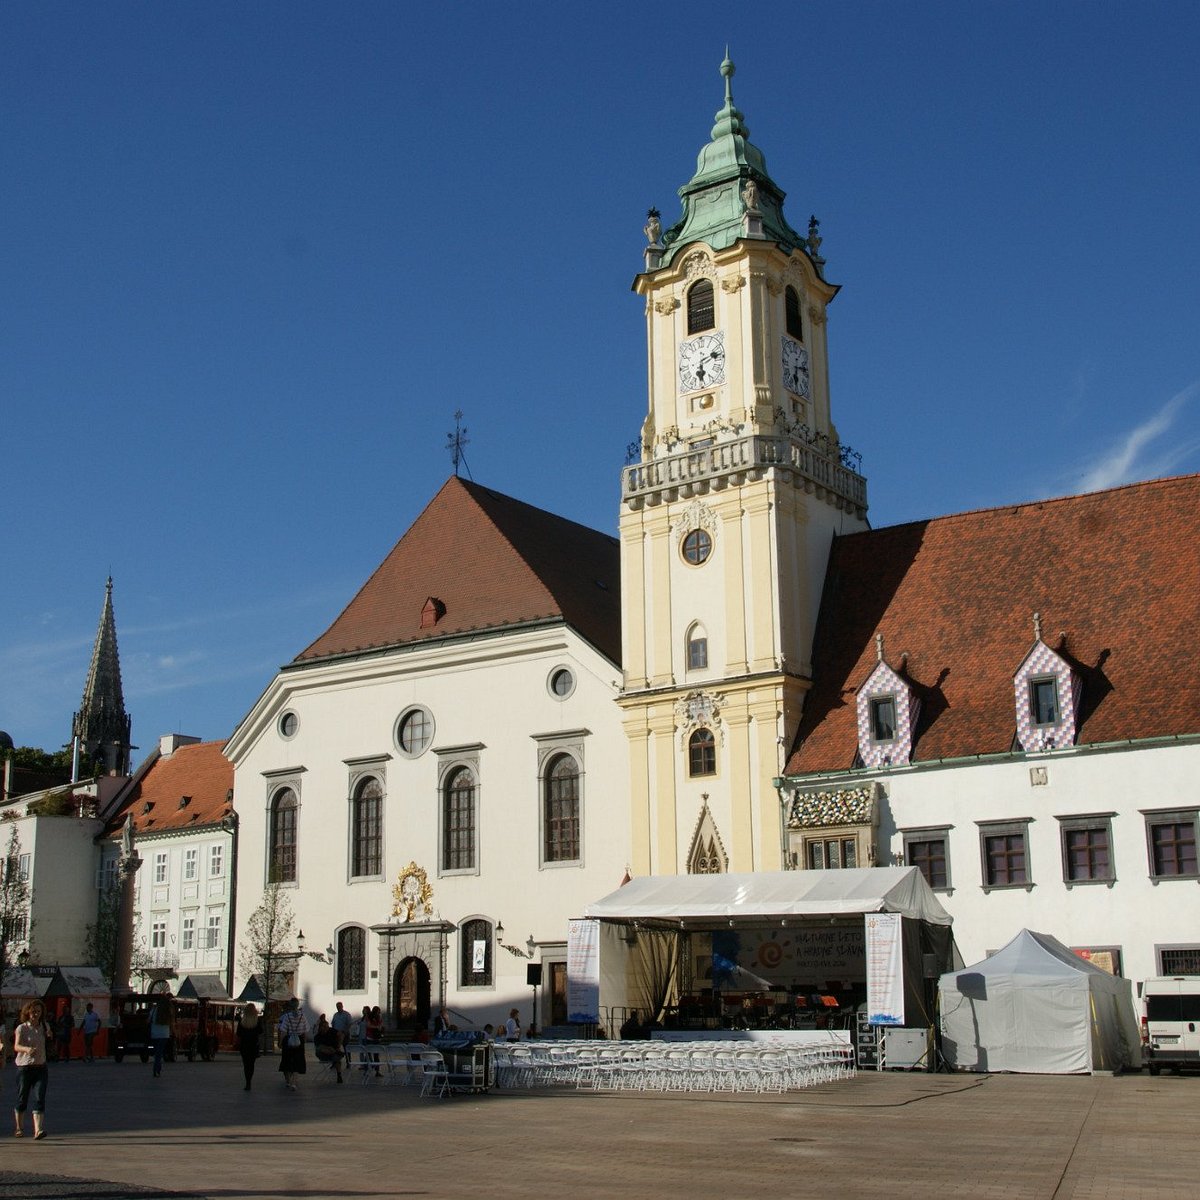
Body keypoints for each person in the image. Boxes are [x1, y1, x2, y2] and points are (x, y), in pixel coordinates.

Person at [13, 999, 52, 1139]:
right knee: (22, 1099)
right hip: (24, 1068)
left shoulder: (44, 1026)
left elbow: (49, 1038)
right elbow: (16, 1047)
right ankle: (19, 1127)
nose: (36, 1014)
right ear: (28, 1012)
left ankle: (38, 1130)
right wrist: (26, 1049)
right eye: (33, 1011)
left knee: (39, 1098)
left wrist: (50, 1035)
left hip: (41, 1067)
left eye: (38, 1012)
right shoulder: (22, 1028)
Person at [277, 998, 308, 1091]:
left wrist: (280, 1042)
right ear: (298, 1005)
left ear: (290, 1005)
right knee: (297, 1062)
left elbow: (283, 1031)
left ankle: (288, 1081)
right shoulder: (302, 1016)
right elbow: (305, 1030)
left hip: (288, 1041)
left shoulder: (287, 1016)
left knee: (286, 1061)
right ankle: (294, 1083)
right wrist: (304, 1040)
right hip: (299, 1041)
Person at [235, 1003, 261, 1091]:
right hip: (254, 1045)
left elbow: (238, 1034)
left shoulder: (242, 1021)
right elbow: (261, 1031)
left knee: (246, 1065)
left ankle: (247, 1082)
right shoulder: (257, 1021)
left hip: (244, 1045)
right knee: (251, 1064)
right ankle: (249, 1080)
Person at [313, 1014, 345, 1083]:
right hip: (323, 1054)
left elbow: (341, 1035)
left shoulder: (331, 1031)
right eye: (324, 1027)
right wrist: (330, 1048)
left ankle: (339, 1074)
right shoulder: (318, 1036)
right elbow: (319, 1047)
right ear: (320, 1028)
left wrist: (339, 1045)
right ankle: (335, 1052)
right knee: (321, 1050)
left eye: (327, 1027)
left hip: (333, 1052)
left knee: (336, 1058)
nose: (326, 1029)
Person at [149, 995, 174, 1078]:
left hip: (155, 1034)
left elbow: (149, 1020)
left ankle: (156, 1069)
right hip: (164, 1034)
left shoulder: (154, 1009)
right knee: (159, 1053)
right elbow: (171, 1022)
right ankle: (157, 1069)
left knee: (157, 1052)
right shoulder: (168, 1009)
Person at [364, 1005, 383, 1077]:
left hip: (376, 1038)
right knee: (368, 1055)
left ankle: (377, 1071)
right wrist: (376, 1027)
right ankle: (366, 1069)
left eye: (379, 1012)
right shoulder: (369, 1017)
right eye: (378, 1012)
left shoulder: (379, 1018)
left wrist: (380, 1027)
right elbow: (368, 1025)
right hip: (370, 1038)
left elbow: (381, 1025)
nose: (378, 1013)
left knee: (376, 1055)